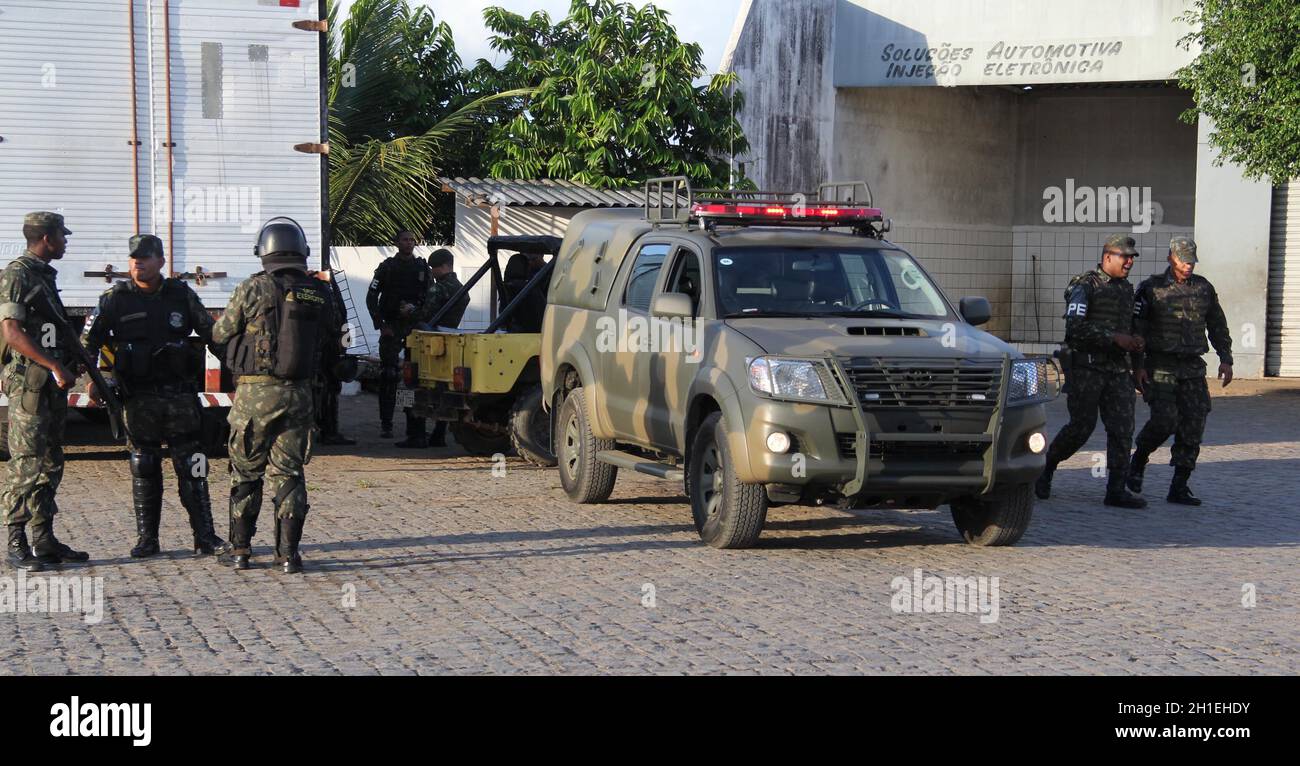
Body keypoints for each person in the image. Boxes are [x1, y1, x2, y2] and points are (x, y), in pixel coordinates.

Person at [81, 234, 229, 558]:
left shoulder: (180, 295)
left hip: (179, 397)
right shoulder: (115, 299)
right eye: (134, 257)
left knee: (193, 466)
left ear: (161, 261)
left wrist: (245, 370)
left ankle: (205, 537)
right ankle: (147, 539)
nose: (139, 263)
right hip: (139, 399)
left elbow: (212, 335)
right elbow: (89, 343)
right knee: (144, 464)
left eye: (146, 257)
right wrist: (97, 378)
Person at [214, 217, 340, 574]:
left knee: (246, 473)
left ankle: (240, 550)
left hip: (254, 397)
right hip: (299, 394)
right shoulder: (319, 291)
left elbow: (222, 333)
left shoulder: (253, 288)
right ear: (302, 251)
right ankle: (289, 556)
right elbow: (332, 336)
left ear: (264, 251)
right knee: (289, 473)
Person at [0, 212, 87, 570]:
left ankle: (44, 538)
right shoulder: (18, 274)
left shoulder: (43, 276)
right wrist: (53, 365)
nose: (65, 242)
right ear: (47, 238)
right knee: (26, 462)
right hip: (30, 384)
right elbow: (12, 332)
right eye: (61, 236)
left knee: (51, 461)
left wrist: (69, 361)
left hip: (49, 385)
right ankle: (16, 541)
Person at [1035, 234, 1148, 509]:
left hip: (1118, 370)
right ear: (1108, 257)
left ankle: (1116, 489)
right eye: (1125, 257)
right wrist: (1112, 337)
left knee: (1122, 429)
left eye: (1132, 257)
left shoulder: (1126, 290)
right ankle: (1046, 466)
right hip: (1087, 368)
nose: (1129, 262)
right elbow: (1075, 327)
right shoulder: (1085, 285)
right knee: (1081, 427)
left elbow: (1132, 330)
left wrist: (1138, 363)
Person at [1128, 237, 1234, 506]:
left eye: (1191, 261)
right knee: (1165, 420)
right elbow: (1137, 330)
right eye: (1183, 260)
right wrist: (1138, 366)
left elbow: (1217, 324)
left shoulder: (1203, 288)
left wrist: (1226, 358)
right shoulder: (1151, 289)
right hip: (1160, 365)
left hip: (1192, 366)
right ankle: (1138, 460)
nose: (1188, 265)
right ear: (1171, 258)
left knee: (1194, 422)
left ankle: (1179, 485)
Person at [366, 231, 430, 442]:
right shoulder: (387, 268)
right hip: (391, 326)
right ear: (397, 243)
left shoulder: (422, 268)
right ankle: (386, 423)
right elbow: (371, 296)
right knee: (389, 375)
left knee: (410, 378)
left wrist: (418, 314)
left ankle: (411, 422)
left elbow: (431, 298)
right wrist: (381, 324)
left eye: (412, 240)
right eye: (405, 240)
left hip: (414, 328)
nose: (409, 243)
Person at [407, 249, 470, 449]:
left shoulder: (438, 289)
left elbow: (425, 314)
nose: (432, 272)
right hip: (449, 339)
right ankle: (439, 434)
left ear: (444, 266)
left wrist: (410, 311)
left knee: (412, 387)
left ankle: (415, 435)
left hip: (427, 341)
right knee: (444, 387)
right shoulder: (461, 288)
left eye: (434, 268)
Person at [315, 273, 357, 447]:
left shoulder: (330, 285)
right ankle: (327, 430)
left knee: (332, 388)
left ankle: (329, 430)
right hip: (322, 347)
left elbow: (342, 314)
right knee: (325, 388)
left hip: (333, 346)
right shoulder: (314, 286)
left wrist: (345, 340)